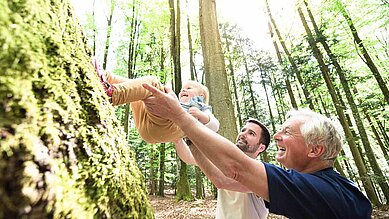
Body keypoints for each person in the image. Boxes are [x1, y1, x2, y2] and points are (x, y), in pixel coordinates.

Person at [141, 83, 373, 219]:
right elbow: (222, 177)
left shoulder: (324, 190)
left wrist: (180, 117)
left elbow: (235, 169)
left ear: (316, 149)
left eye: (288, 132)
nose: (278, 136)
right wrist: (188, 132)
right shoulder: (311, 183)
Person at [92, 58, 219, 143]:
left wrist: (201, 115)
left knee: (152, 84)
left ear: (201, 96)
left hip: (166, 125)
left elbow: (214, 125)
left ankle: (111, 94)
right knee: (137, 89)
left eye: (188, 88)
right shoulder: (179, 103)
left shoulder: (200, 106)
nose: (182, 91)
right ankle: (106, 77)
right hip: (150, 126)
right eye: (182, 89)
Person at [174, 118, 270, 219]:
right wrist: (176, 138)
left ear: (261, 148)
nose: (243, 134)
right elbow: (188, 157)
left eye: (251, 133)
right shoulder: (225, 161)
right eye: (243, 130)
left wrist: (191, 133)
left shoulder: (261, 173)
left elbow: (222, 181)